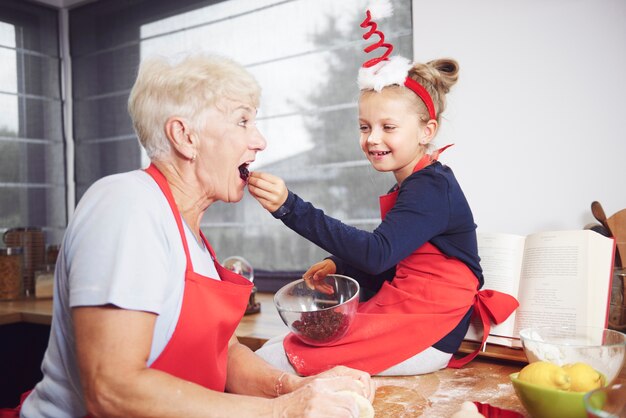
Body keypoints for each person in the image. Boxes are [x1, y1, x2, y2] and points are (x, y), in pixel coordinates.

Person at [8, 54, 374, 418]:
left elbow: (225, 354)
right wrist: (283, 412)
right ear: (185, 137)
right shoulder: (127, 204)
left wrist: (297, 388)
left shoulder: (191, 233)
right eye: (242, 121)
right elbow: (112, 390)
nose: (260, 141)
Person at [247, 2, 518, 377]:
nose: (373, 138)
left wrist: (290, 207)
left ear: (427, 131)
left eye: (388, 127)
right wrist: (340, 265)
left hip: (427, 331)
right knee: (277, 347)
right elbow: (397, 259)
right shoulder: (418, 184)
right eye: (364, 127)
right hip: (408, 312)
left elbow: (378, 255)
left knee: (273, 362)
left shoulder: (431, 187)